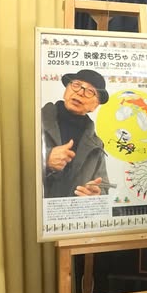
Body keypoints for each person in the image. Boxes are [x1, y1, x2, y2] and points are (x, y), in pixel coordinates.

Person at [42, 69, 109, 198]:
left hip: (74, 210)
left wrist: (97, 194)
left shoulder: (96, 144)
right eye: (76, 85)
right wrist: (45, 159)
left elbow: (103, 186)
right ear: (66, 90)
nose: (80, 92)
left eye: (90, 91)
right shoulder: (35, 120)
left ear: (95, 106)